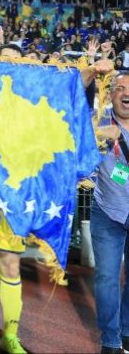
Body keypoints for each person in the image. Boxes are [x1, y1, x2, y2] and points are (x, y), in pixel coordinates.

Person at [91, 71, 129, 354]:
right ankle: (110, 339)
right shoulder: (99, 120)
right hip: (108, 212)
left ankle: (126, 330)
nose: (126, 94)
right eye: (120, 88)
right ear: (111, 93)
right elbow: (75, 133)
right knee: (107, 278)